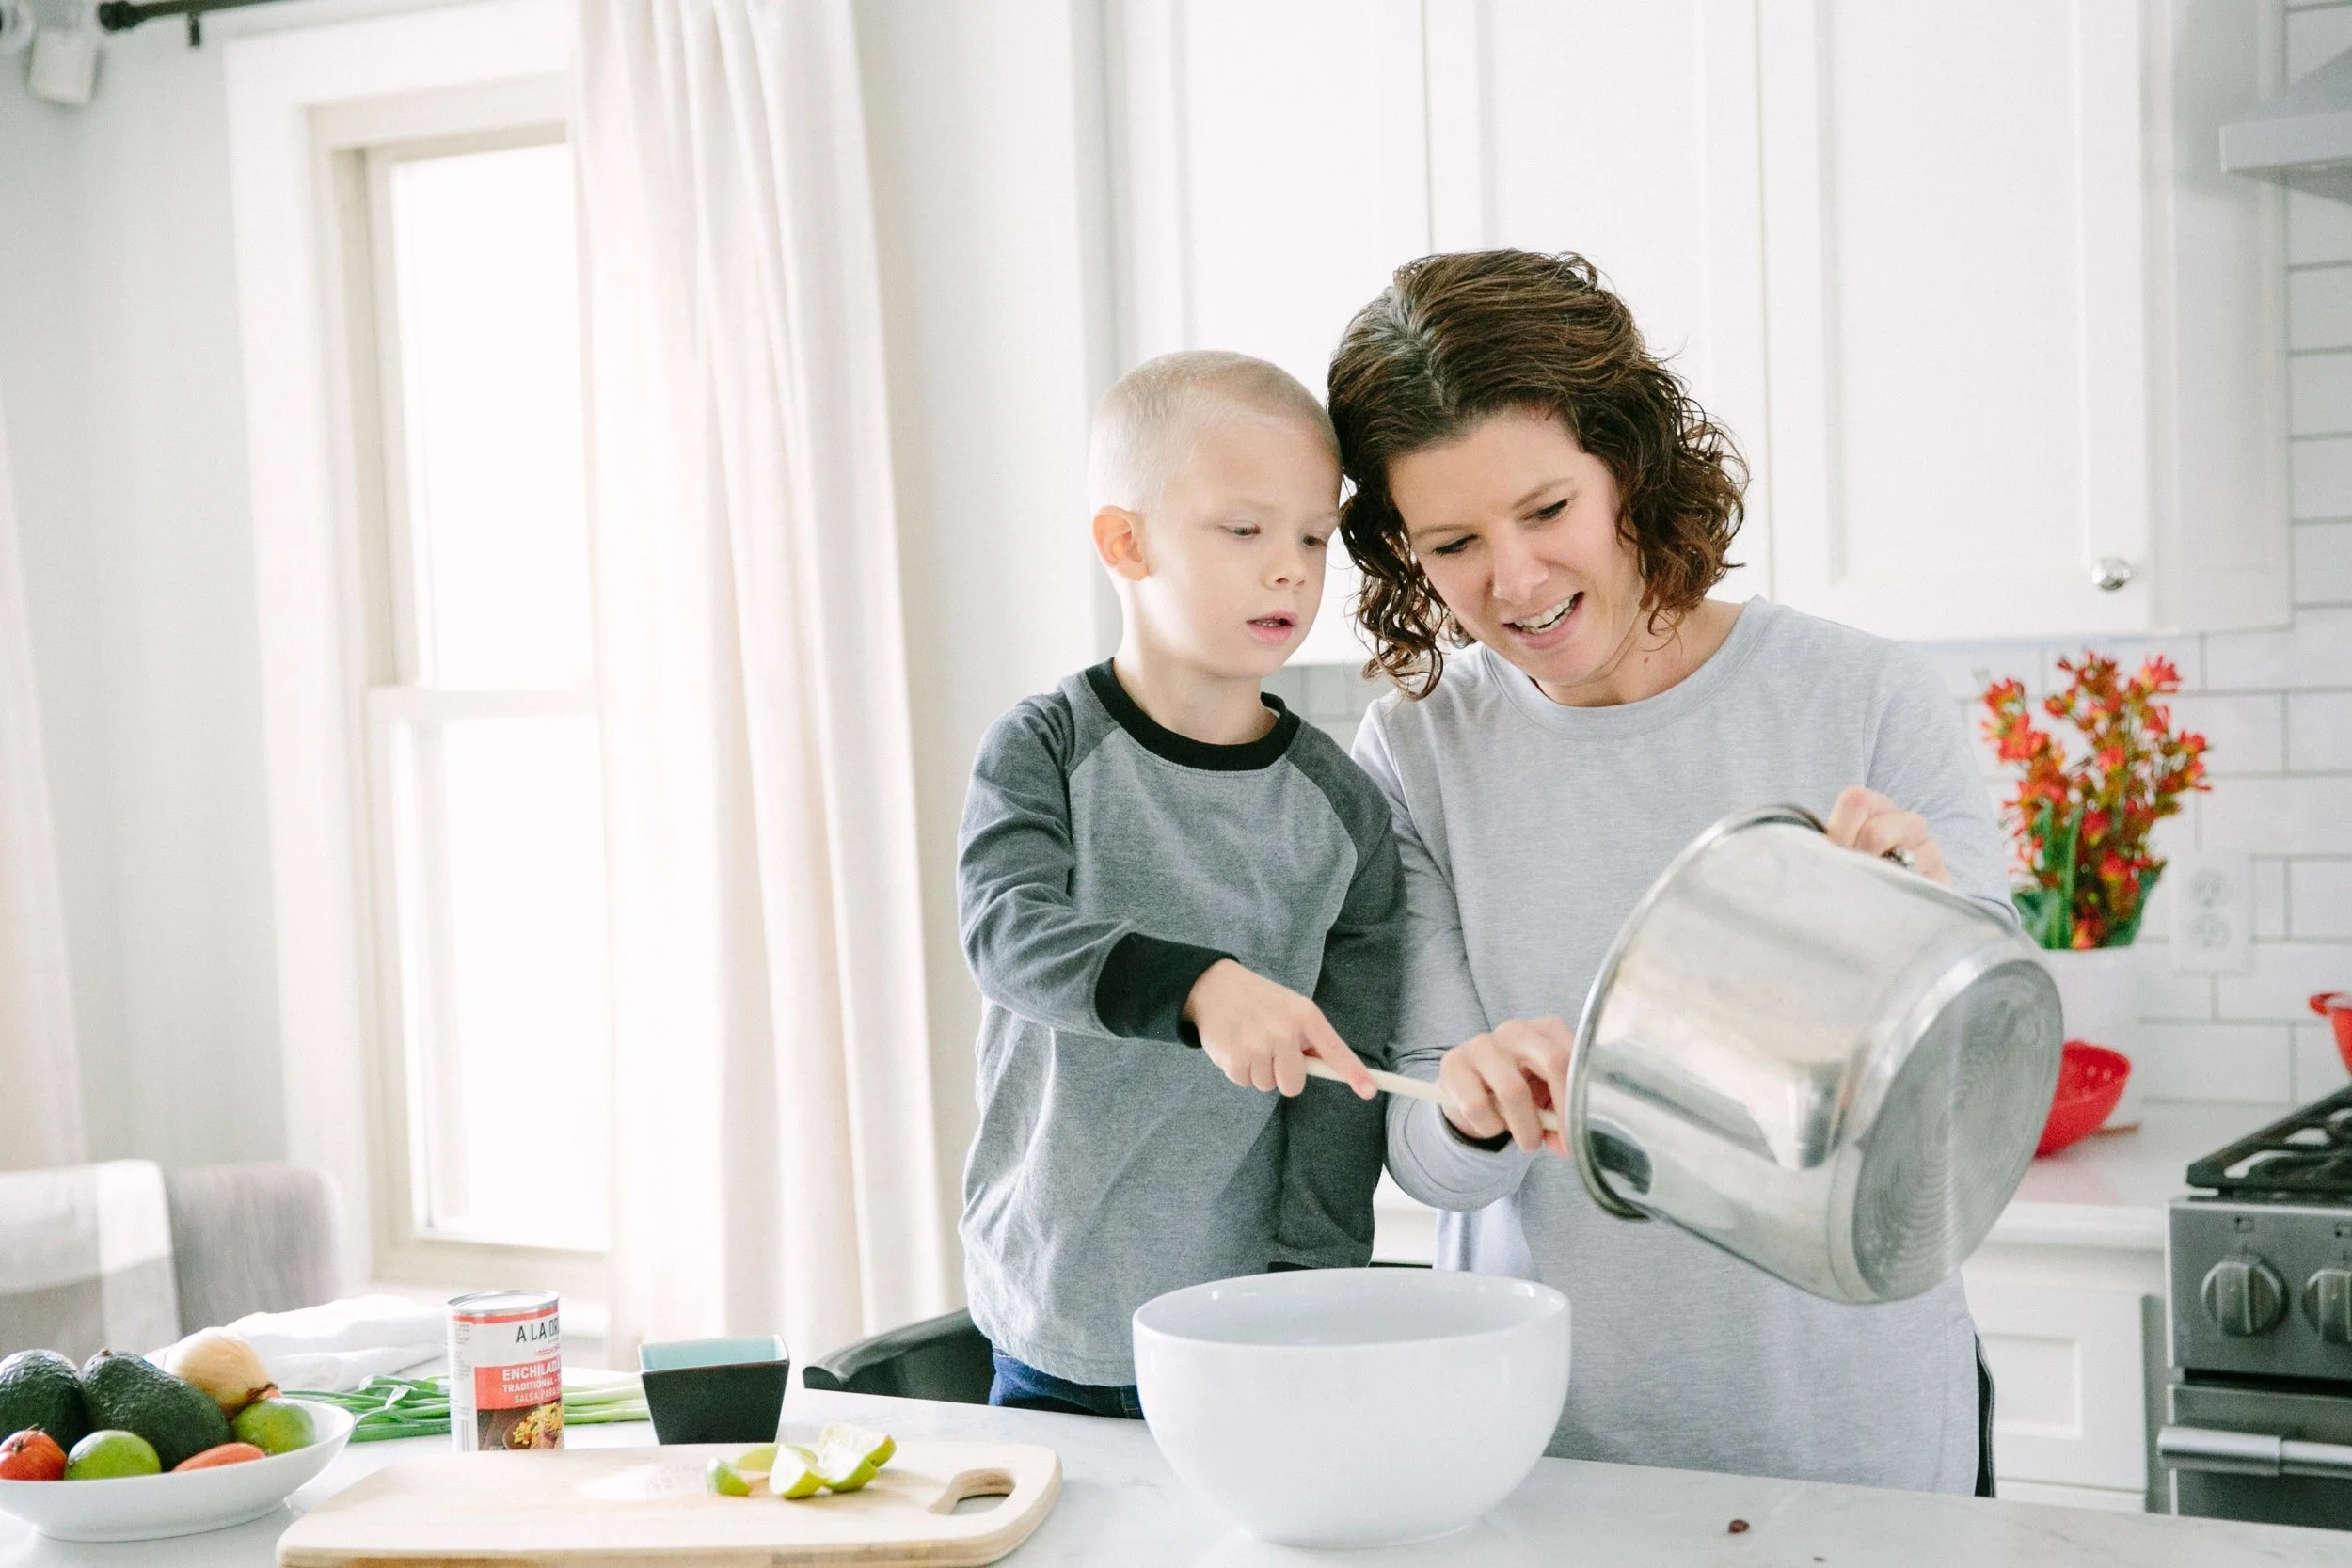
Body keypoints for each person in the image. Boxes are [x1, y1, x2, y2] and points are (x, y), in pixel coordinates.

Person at [1328, 250, 2010, 1493]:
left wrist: (1922, 929)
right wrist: (1469, 1100)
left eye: (1547, 510)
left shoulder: (1860, 698)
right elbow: (1424, 1154)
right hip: (1542, 1450)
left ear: (1629, 468)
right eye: (1455, 542)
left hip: (1850, 1444)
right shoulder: (1417, 753)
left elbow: (1984, 1097)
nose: (1516, 581)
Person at [956, 350, 1405, 1417]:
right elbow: (1007, 932)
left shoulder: (1346, 810)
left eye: (1312, 536)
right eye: (1245, 531)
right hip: (1052, 1302)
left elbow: (1349, 1077)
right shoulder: (1042, 748)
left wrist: (1315, 1283)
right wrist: (1201, 985)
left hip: (1244, 1333)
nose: (1291, 569)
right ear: (1125, 541)